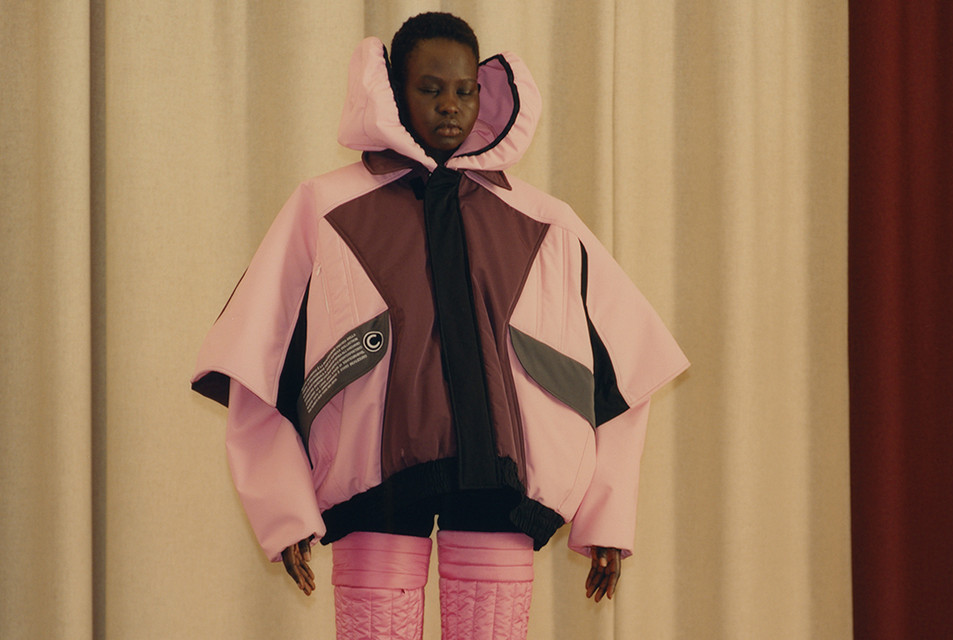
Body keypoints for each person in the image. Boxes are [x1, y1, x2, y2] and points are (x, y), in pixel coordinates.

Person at [192, 11, 688, 640]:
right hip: (371, 484)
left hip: (500, 485)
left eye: (463, 90)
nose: (450, 105)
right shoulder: (323, 209)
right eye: (429, 88)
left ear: (484, 94)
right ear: (392, 92)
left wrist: (607, 519)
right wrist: (283, 510)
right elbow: (255, 367)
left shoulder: (546, 223)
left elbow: (624, 373)